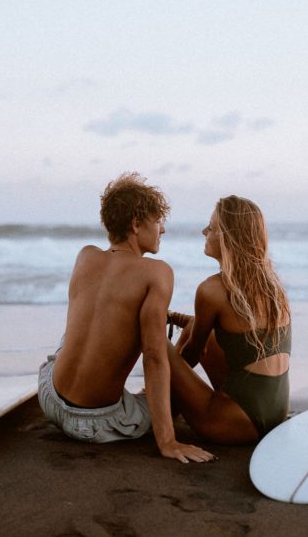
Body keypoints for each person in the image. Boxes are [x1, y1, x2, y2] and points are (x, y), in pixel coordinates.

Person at [38, 172, 215, 464]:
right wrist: (168, 442)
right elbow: (155, 359)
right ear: (135, 224)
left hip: (50, 398)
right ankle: (157, 423)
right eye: (158, 221)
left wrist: (167, 316)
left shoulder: (85, 256)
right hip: (98, 423)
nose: (163, 230)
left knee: (71, 335)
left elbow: (106, 312)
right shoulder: (158, 273)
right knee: (175, 394)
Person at [167, 195, 292, 444]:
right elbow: (237, 332)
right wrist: (180, 319)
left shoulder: (211, 290)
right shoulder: (273, 286)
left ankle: (159, 409)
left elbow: (191, 355)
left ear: (228, 237)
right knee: (200, 332)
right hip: (276, 415)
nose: (204, 231)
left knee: (153, 340)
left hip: (233, 423)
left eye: (211, 227)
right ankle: (165, 404)